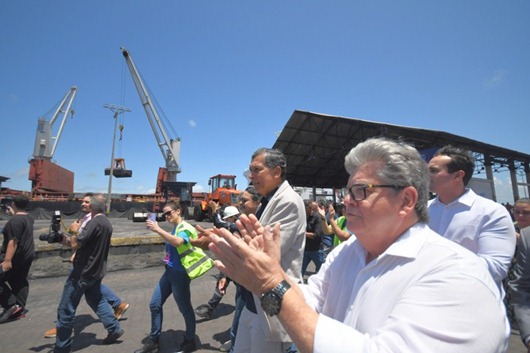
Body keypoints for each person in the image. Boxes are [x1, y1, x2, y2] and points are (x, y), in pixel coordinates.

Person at [207, 137, 509, 353]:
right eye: (348, 190)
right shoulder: (347, 252)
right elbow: (308, 301)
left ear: (405, 200)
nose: (346, 201)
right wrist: (267, 271)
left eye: (361, 191)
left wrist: (269, 281)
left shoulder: (458, 277)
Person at [233, 147, 305, 353]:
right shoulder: (267, 200)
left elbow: (267, 251)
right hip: (251, 301)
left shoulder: (288, 201)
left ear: (277, 172)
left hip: (269, 302)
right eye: (250, 171)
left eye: (256, 170)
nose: (251, 176)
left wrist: (229, 243)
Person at [427, 145, 516, 293]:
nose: (425, 175)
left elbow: (495, 268)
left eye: (433, 171)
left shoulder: (491, 212)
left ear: (458, 176)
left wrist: (431, 266)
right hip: (428, 300)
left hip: (473, 303)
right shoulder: (422, 210)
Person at [44, 193, 129, 338]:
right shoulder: (106, 222)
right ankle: (114, 329)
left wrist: (74, 231)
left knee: (67, 306)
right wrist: (63, 239)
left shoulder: (94, 223)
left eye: (86, 202)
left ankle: (62, 343)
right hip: (96, 270)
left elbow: (76, 243)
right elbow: (88, 245)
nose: (83, 204)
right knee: (97, 300)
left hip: (83, 270)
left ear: (93, 205)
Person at [135, 201, 211, 353]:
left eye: (169, 212)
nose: (166, 216)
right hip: (169, 271)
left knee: (185, 308)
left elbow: (178, 242)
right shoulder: (176, 228)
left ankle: (190, 340)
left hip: (180, 274)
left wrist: (158, 229)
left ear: (178, 211)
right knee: (154, 304)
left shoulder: (185, 228)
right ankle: (154, 340)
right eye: (164, 214)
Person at [194, 204, 240, 320]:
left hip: (236, 263)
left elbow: (219, 224)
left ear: (233, 217)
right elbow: (219, 226)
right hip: (228, 261)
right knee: (221, 283)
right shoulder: (232, 226)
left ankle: (242, 310)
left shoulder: (237, 225)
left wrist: (215, 212)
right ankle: (210, 308)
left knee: (242, 289)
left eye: (227, 218)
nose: (226, 220)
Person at [0, 195, 35, 324]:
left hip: (14, 257)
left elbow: (13, 241)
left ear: (13, 203)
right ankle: (19, 308)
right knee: (19, 280)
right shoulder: (29, 218)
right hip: (27, 255)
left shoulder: (14, 221)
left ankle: (11, 305)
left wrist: (7, 260)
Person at [508, 198, 530, 351]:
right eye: (517, 212)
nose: (521, 216)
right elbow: (520, 285)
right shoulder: (510, 230)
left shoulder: (523, 236)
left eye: (526, 213)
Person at [301, 200, 323, 276]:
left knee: (322, 272)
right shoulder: (302, 217)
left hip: (316, 250)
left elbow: (317, 235)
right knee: (299, 272)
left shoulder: (316, 217)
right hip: (305, 249)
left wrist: (304, 234)